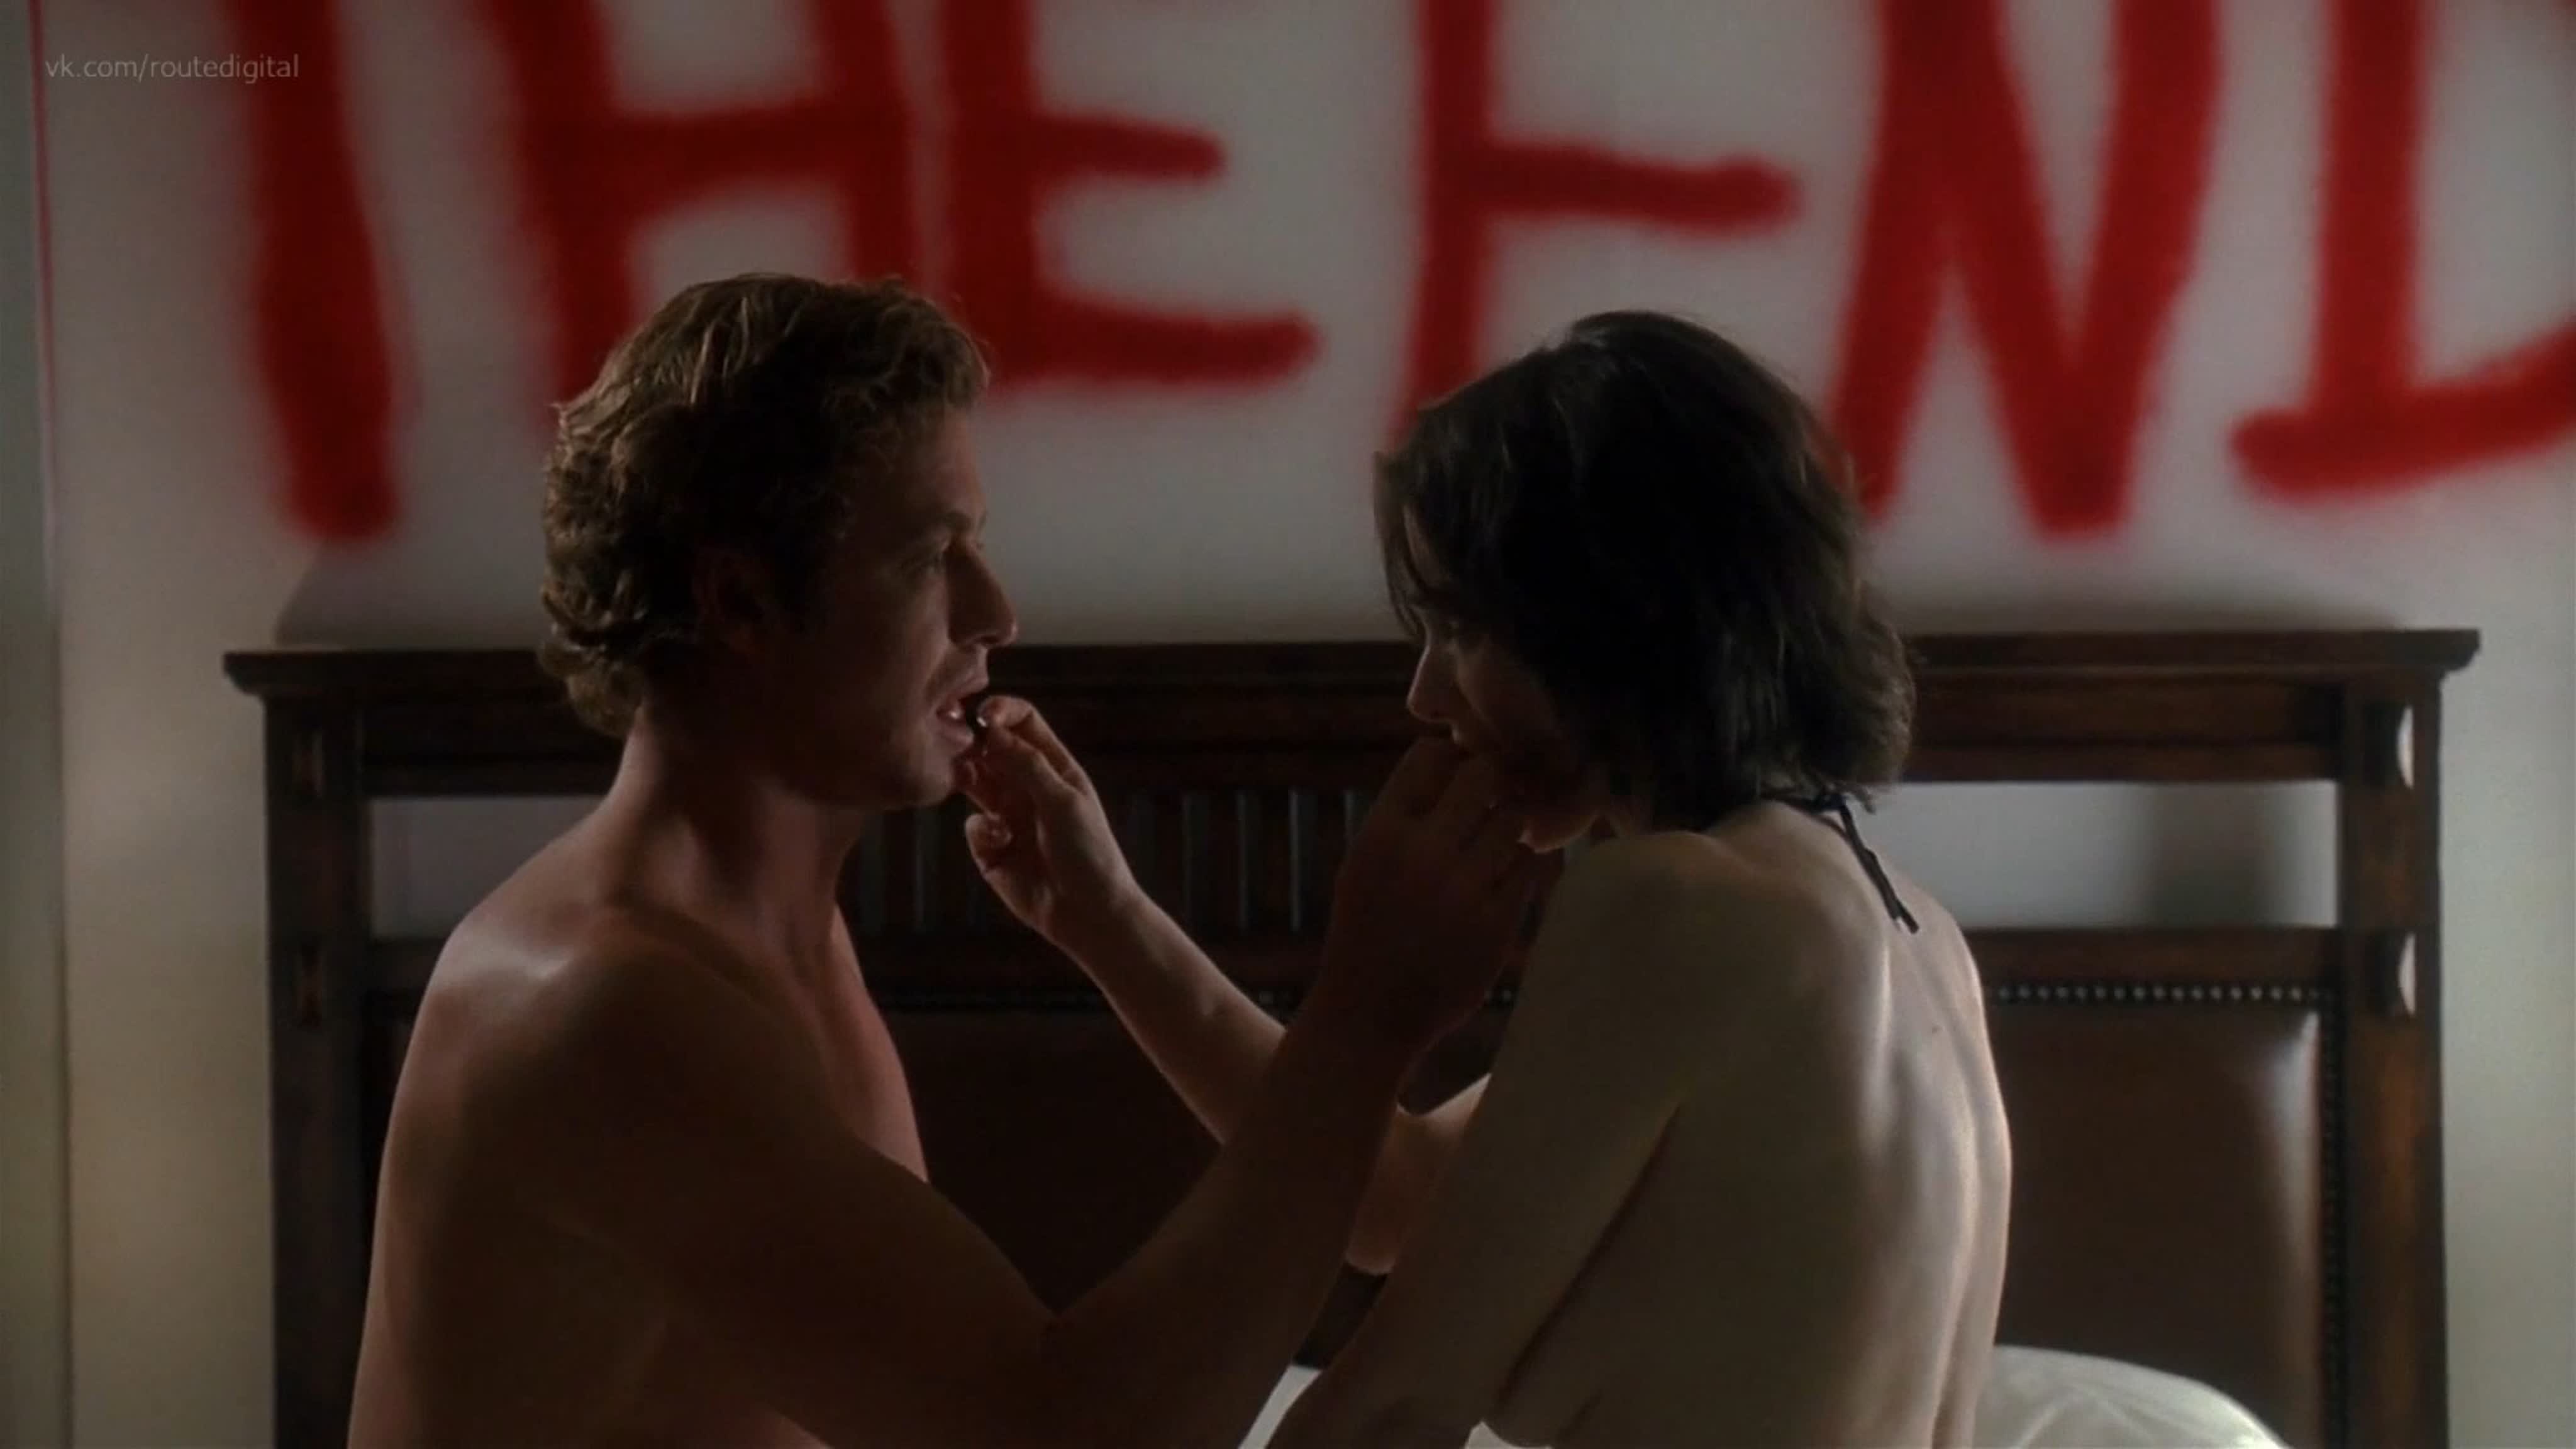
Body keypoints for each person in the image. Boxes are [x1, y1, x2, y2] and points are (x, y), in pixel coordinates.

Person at [347, 272, 1551, 1446]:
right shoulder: (606, 1008)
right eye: (933, 557)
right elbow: (1058, 1432)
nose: (995, 612)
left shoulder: (771, 931)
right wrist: (1363, 1015)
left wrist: (1114, 920)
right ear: (742, 604)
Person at [959, 310, 2014, 1446]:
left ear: (1616, 614)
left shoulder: (1673, 902)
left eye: (1460, 630)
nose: (1425, 696)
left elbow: (1399, 1405)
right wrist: (1109, 921)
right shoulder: (1917, 940)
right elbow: (1395, 1200)